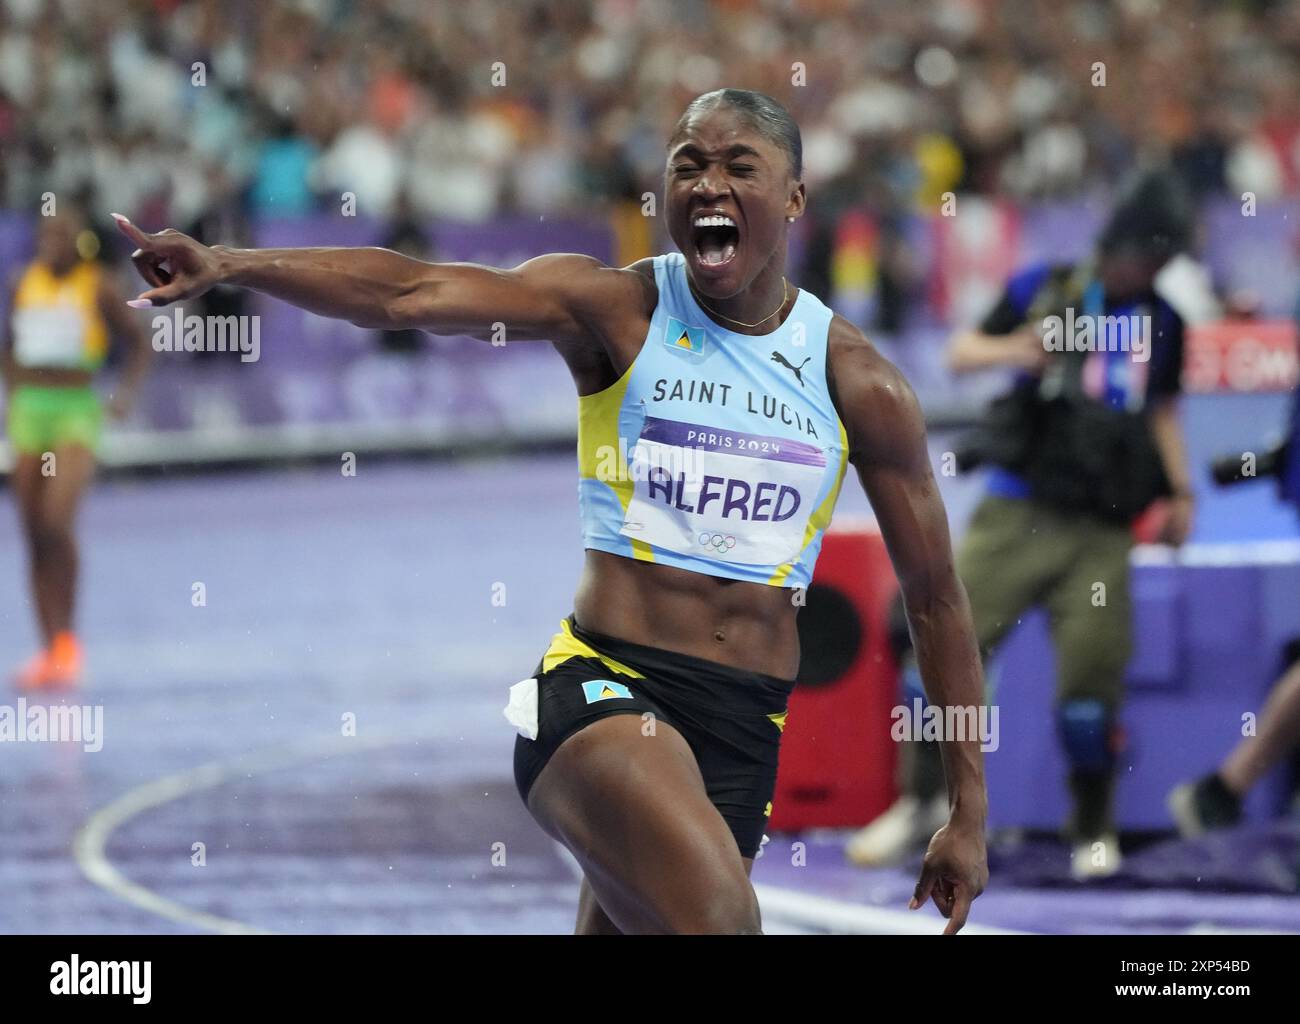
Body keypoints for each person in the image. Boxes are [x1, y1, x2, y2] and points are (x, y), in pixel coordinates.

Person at [111, 89, 988, 935]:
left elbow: (938, 599)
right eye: (687, 166)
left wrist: (968, 813)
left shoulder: (858, 381)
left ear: (794, 196)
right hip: (602, 695)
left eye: (737, 166)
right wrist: (232, 264)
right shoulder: (614, 308)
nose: (708, 185)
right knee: (721, 925)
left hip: (744, 729)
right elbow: (410, 293)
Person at [849, 173, 1195, 880]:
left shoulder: (1167, 323)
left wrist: (1183, 492)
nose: (1148, 272)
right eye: (1143, 257)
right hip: (1016, 512)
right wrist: (1019, 351)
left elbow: (1161, 412)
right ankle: (919, 803)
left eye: (1161, 263)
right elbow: (959, 351)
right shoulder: (1049, 285)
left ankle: (1092, 827)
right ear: (1118, 245)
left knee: (1090, 696)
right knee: (934, 666)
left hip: (1102, 529)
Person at [2, 205, 152, 688]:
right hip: (29, 412)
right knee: (31, 532)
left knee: (56, 520)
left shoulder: (98, 284)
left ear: (80, 241)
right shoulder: (21, 281)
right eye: (47, 233)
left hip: (75, 411)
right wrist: (9, 394)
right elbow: (7, 344)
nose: (53, 242)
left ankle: (69, 638)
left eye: (63, 234)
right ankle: (50, 648)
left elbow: (137, 342)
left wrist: (125, 394)